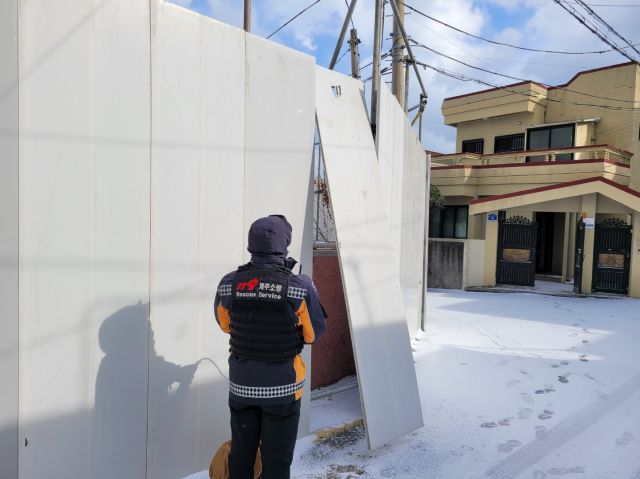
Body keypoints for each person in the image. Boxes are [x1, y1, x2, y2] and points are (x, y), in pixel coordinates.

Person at [214, 214, 327, 479]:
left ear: (251, 243)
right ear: (284, 244)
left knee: (241, 457)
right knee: (276, 463)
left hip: (242, 386)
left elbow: (225, 325)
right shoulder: (299, 285)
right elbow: (313, 334)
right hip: (283, 389)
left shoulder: (229, 283)